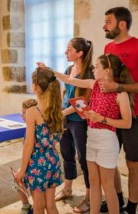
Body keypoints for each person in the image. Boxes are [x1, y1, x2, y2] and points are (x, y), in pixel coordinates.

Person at [38, 53, 135, 214]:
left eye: (97, 67)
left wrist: (101, 118)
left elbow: (127, 123)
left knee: (108, 186)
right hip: (92, 139)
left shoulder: (121, 94)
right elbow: (69, 80)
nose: (94, 69)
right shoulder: (93, 84)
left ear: (107, 70)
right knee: (94, 182)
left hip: (107, 142)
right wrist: (49, 70)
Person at [99, 7, 138, 214]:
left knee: (133, 162)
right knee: (108, 160)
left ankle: (131, 207)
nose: (104, 26)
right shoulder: (108, 47)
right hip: (109, 115)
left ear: (121, 24)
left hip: (134, 116)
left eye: (108, 22)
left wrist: (120, 88)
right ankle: (117, 200)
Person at [14, 68, 63, 214]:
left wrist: (22, 170)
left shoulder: (32, 112)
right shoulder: (57, 110)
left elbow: (29, 144)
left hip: (37, 163)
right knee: (51, 205)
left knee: (38, 207)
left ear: (35, 85)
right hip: (53, 160)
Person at [55, 38, 93, 214]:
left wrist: (62, 113)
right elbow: (66, 93)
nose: (65, 52)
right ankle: (67, 189)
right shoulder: (69, 69)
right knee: (67, 154)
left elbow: (83, 101)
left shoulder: (89, 73)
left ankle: (89, 198)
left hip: (79, 122)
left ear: (80, 53)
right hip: (66, 119)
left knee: (84, 159)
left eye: (69, 49)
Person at [12, 98, 38, 214]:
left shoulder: (33, 129)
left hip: (34, 165)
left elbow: (29, 147)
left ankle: (29, 207)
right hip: (30, 163)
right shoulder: (29, 127)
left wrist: (23, 169)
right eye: (21, 112)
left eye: (24, 113)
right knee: (17, 179)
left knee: (19, 178)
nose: (22, 115)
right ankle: (26, 206)